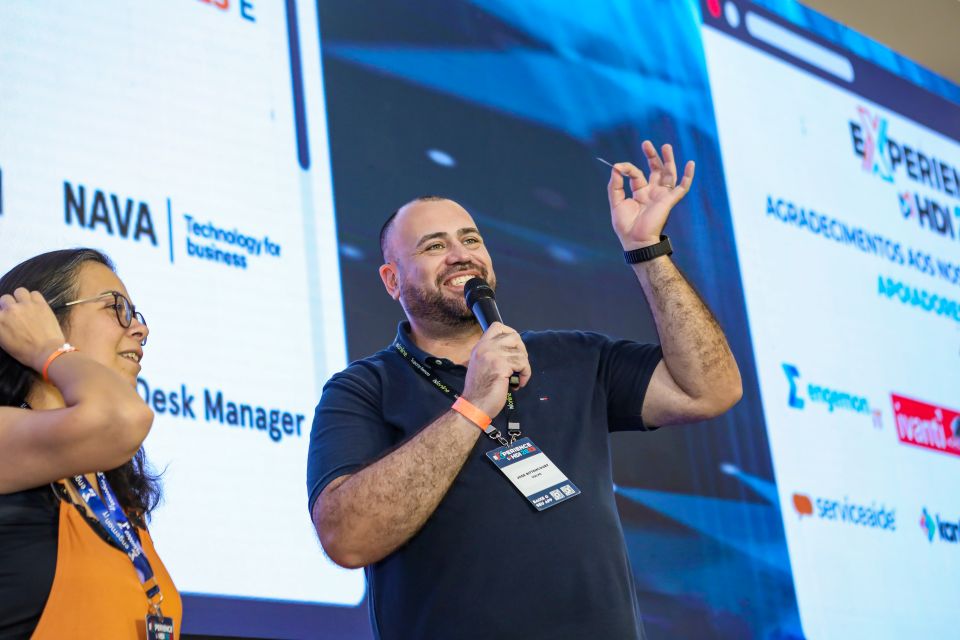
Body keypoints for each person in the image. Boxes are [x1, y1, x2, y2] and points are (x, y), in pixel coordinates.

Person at [307, 141, 742, 639]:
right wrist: (474, 404)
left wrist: (648, 251)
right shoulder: (363, 389)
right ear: (391, 280)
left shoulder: (573, 356)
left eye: (471, 239)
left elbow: (710, 390)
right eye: (434, 246)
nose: (461, 255)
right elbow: (347, 539)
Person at [0, 249, 181, 640]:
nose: (140, 329)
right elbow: (123, 416)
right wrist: (48, 348)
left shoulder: (117, 501)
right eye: (116, 308)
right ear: (43, 320)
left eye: (135, 314)